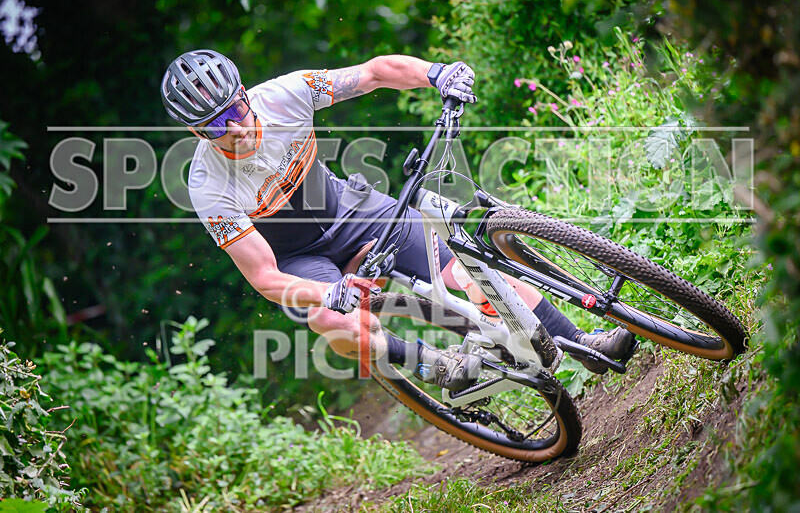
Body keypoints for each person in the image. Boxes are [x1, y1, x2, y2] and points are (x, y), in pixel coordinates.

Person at [159, 49, 633, 391]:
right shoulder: (207, 185)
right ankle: (432, 365)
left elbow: (374, 73)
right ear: (197, 132)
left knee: (467, 266)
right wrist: (329, 292)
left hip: (352, 210)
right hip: (301, 257)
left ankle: (581, 343)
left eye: (236, 111)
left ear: (245, 95)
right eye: (218, 126)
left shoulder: (284, 95)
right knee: (334, 325)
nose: (236, 128)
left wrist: (437, 74)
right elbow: (264, 275)